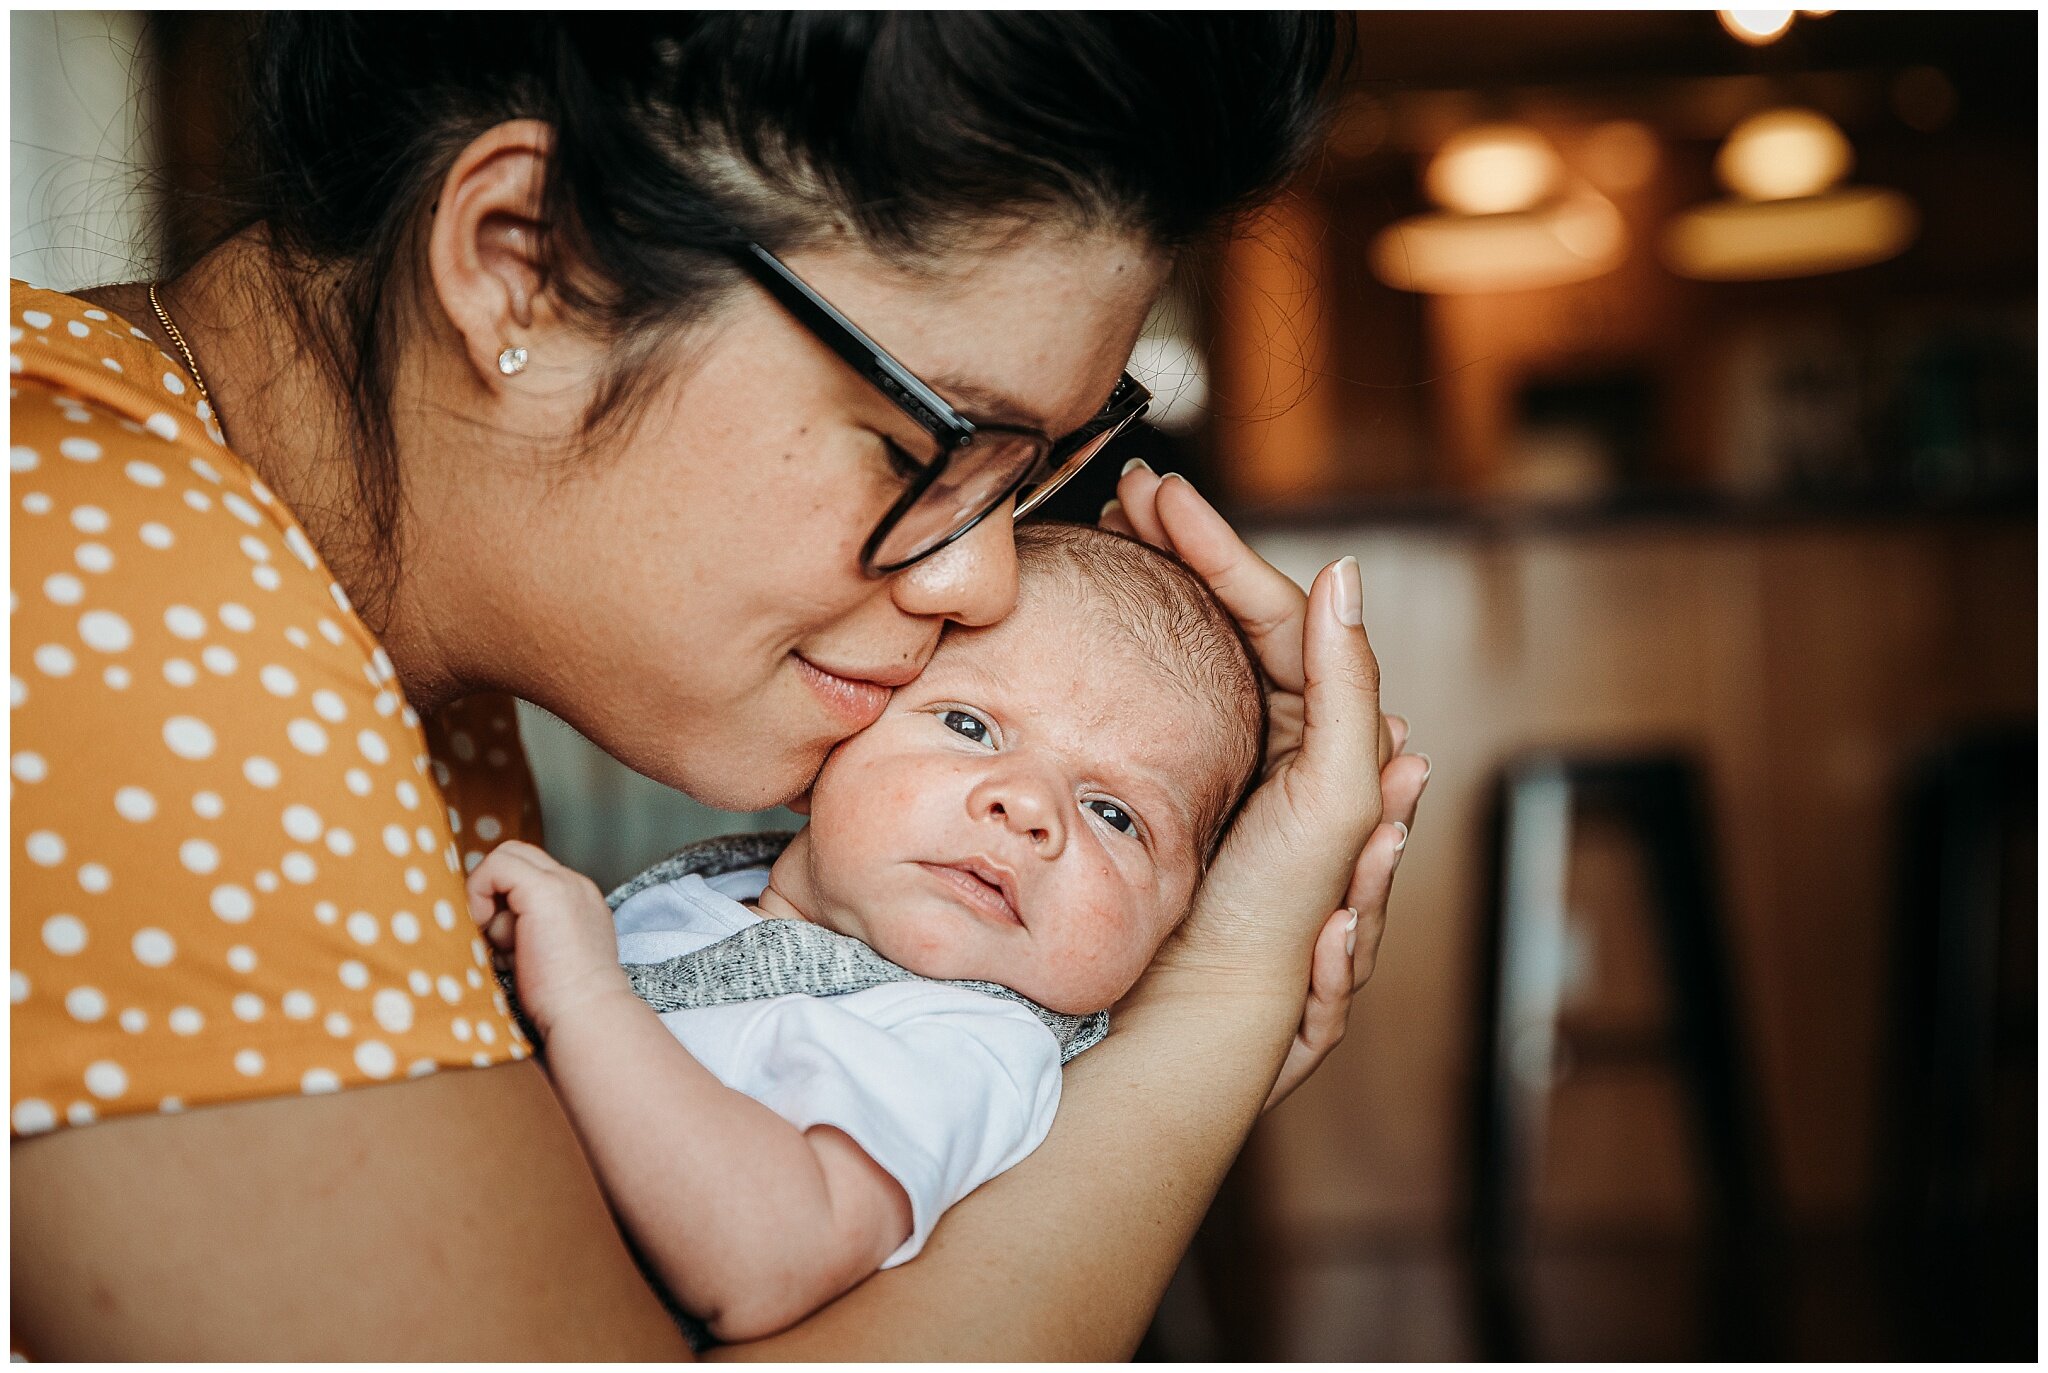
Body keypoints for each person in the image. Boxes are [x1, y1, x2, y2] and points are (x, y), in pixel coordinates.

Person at [10, 15, 1429, 1358]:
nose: (981, 581)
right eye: (923, 446)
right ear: (528, 268)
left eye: (1040, 469)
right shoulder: (109, 599)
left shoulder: (307, 616)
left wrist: (1209, 980)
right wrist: (1223, 999)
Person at [473, 522, 1266, 1342]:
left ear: (1174, 925)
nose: (1028, 808)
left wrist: (583, 994)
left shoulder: (970, 1043)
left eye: (1115, 815)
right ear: (823, 752)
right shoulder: (714, 889)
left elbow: (765, 1257)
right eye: (968, 725)